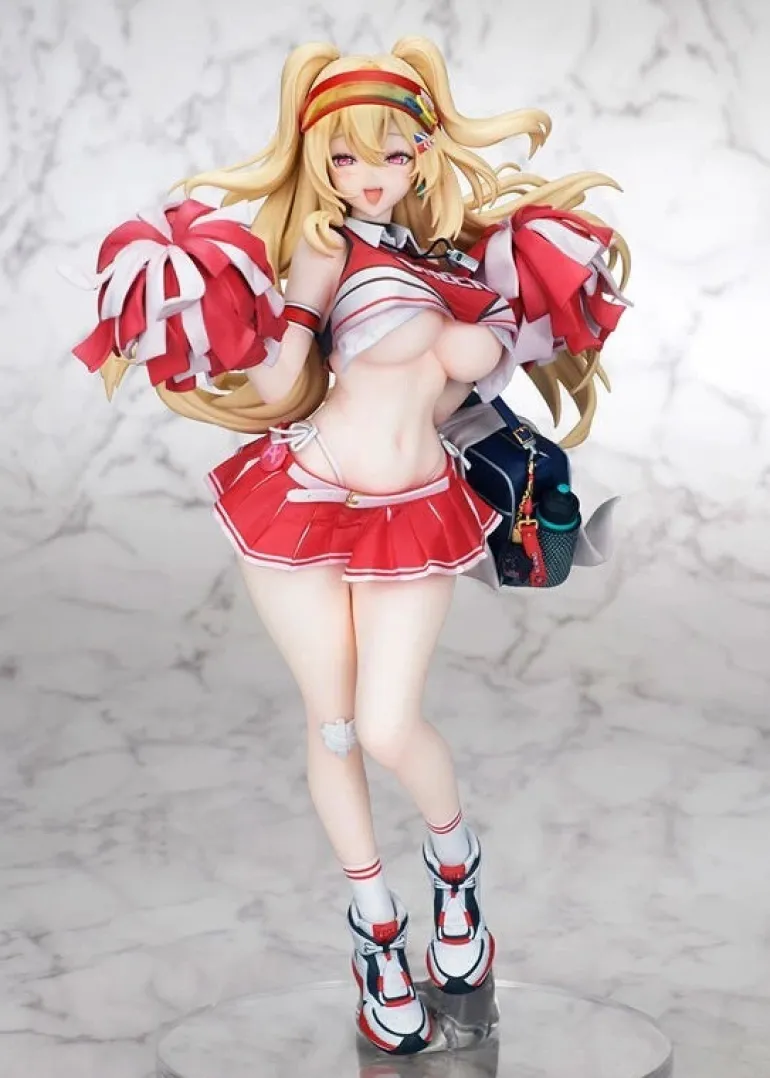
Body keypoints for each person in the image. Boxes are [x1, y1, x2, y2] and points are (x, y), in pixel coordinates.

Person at [71, 36, 629, 1056]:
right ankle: (376, 932)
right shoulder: (326, 256)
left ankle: (455, 876)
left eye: (388, 153)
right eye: (343, 156)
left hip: (413, 508)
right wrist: (211, 316)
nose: (367, 174)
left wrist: (508, 326)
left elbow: (477, 387)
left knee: (387, 725)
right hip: (302, 500)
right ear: (318, 162)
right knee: (333, 728)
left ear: (422, 153)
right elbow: (281, 378)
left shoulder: (461, 267)